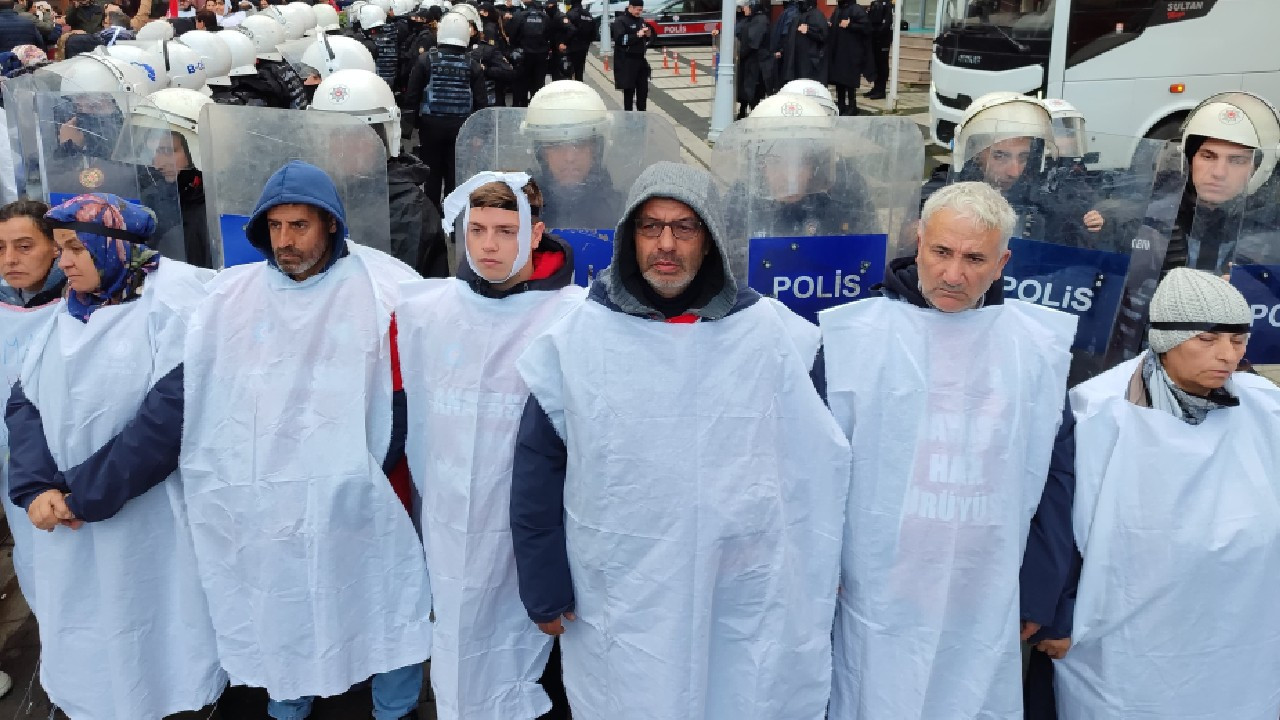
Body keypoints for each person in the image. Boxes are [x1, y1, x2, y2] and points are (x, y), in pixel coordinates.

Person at [510, 161, 851, 719]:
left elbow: (817, 462)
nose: (666, 244)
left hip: (739, 591)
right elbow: (537, 466)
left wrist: (824, 563)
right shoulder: (580, 338)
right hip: (621, 592)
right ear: (629, 238)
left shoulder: (772, 335)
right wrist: (544, 584)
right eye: (650, 227)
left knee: (737, 695)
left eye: (685, 227)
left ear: (710, 238)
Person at [178, 161, 431, 720]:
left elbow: (408, 395)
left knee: (382, 589)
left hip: (367, 481)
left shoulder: (383, 287)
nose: (286, 241)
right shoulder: (233, 298)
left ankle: (395, 707)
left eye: (300, 226)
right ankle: (289, 692)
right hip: (272, 487)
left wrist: (361, 469)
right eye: (275, 227)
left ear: (332, 226)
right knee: (286, 592)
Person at [820, 181, 1078, 718]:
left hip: (983, 592)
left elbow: (1054, 474)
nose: (954, 275)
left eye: (975, 258)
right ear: (919, 241)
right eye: (942, 252)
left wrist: (1039, 589)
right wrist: (821, 567)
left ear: (1003, 261)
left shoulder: (1033, 351)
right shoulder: (855, 338)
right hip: (876, 589)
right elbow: (812, 467)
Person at [5, 193, 226, 719]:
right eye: (61, 250)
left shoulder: (170, 310)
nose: (66, 263)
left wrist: (83, 494)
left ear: (115, 246)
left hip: (141, 515)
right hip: (66, 514)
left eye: (77, 248)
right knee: (84, 624)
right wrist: (37, 486)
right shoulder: (67, 313)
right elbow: (24, 400)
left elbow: (165, 421)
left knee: (151, 618)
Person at [1053, 268, 1280, 719]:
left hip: (1239, 630)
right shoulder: (1098, 410)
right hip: (1130, 633)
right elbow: (1059, 523)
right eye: (1208, 339)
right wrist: (1058, 613)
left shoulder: (1264, 406)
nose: (1227, 356)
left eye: (1238, 341)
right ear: (1165, 338)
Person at [397, 172, 582, 720]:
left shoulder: (572, 318)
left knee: (536, 672)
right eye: (477, 229)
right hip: (452, 529)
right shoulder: (430, 311)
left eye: (506, 229)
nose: (489, 245)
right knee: (458, 655)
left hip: (538, 534)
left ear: (536, 233)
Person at [311, 68, 449, 276]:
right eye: (336, 135)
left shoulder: (409, 210)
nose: (344, 148)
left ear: (382, 143)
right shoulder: (316, 191)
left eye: (356, 137)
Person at [0, 200, 65, 628]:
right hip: (14, 471)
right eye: (1, 247)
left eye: (24, 246)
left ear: (56, 248)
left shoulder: (82, 305)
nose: (9, 259)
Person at [405, 10, 487, 208]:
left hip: (430, 126)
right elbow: (481, 102)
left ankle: (432, 217)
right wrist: (479, 134)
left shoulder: (426, 60)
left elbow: (412, 95)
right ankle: (452, 219)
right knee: (454, 175)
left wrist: (410, 126)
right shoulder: (472, 65)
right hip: (460, 127)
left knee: (431, 175)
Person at [130, 87, 216, 268]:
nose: (157, 163)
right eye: (152, 152)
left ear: (198, 148)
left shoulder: (216, 209)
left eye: (168, 151)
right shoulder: (150, 196)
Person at [521, 80, 622, 232]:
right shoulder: (519, 210)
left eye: (580, 145)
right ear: (540, 154)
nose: (569, 158)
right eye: (556, 146)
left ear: (597, 151)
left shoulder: (623, 212)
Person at [824, 0, 870, 116]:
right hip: (838, 51)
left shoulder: (856, 9)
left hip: (851, 52)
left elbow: (867, 27)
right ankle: (841, 104)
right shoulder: (838, 9)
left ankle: (852, 106)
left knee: (849, 81)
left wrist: (850, 25)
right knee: (839, 80)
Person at [505, 0, 549, 106]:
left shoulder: (519, 16)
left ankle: (520, 104)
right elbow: (549, 34)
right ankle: (536, 105)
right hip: (541, 54)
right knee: (538, 82)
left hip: (523, 55)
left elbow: (512, 35)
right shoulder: (545, 17)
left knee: (521, 82)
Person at [610, 0, 650, 111]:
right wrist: (637, 34)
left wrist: (647, 35)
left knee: (643, 91)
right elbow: (620, 39)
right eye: (638, 9)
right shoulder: (620, 21)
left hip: (641, 61)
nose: (639, 12)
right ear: (630, 7)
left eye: (641, 10)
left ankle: (642, 115)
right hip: (627, 62)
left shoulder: (641, 20)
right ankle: (628, 117)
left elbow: (645, 40)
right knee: (629, 92)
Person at [779, 0, 825, 83]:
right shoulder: (797, 15)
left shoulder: (816, 15)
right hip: (798, 61)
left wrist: (808, 31)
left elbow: (823, 35)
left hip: (809, 63)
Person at [865, 0, 891, 99]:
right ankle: (876, 88)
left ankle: (881, 90)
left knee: (882, 65)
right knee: (875, 64)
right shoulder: (874, 3)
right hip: (874, 38)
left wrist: (878, 33)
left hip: (883, 39)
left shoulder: (887, 4)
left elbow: (887, 22)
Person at [562, 0, 591, 82]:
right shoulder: (588, 14)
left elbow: (568, 30)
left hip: (572, 47)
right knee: (580, 71)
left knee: (569, 71)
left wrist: (565, 42)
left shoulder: (570, 14)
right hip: (584, 47)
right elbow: (593, 33)